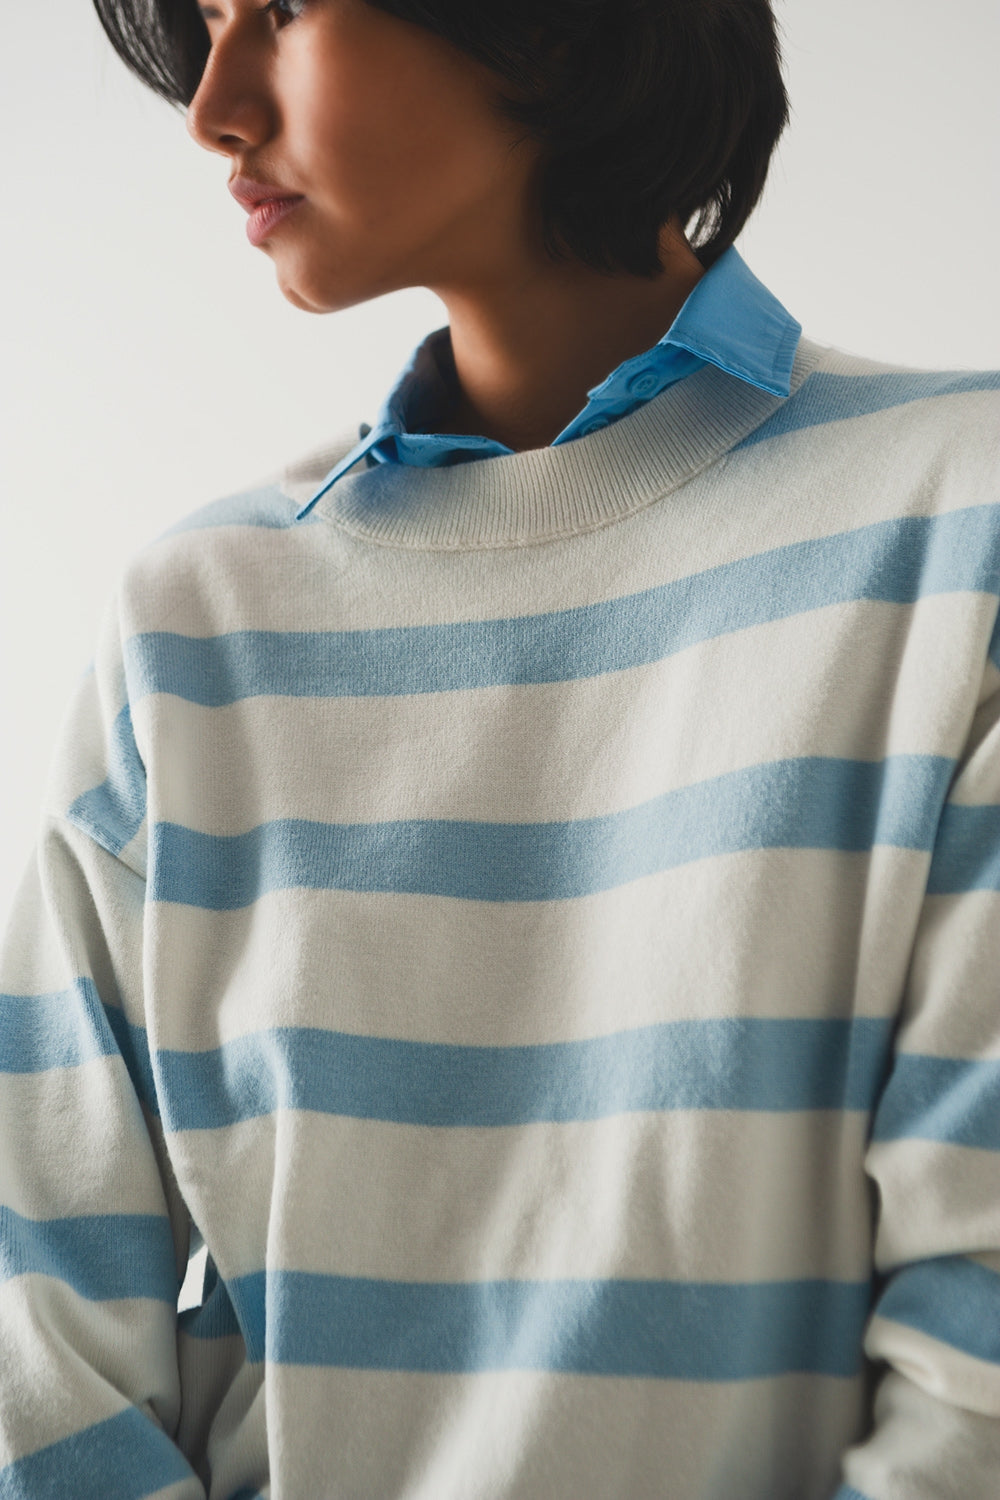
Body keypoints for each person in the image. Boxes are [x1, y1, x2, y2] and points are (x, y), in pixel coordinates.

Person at [1, 0, 998, 1495]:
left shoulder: (961, 521)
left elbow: (981, 1332)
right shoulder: (195, 623)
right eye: (202, 25)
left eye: (276, 10)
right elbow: (41, 1320)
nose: (213, 106)